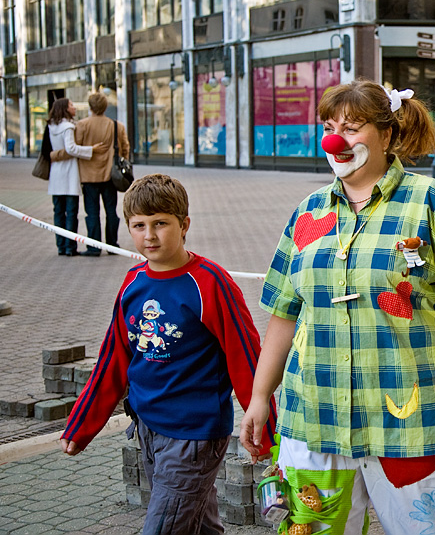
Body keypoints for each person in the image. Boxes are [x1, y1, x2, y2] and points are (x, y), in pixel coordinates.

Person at [239, 80, 435, 535]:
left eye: (351, 127)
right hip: (317, 416)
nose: (337, 139)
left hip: (416, 425)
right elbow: (283, 313)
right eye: (330, 127)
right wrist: (258, 397)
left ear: (386, 135)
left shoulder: (429, 202)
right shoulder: (308, 213)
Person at [60, 173, 277, 534]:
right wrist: (82, 425)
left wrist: (265, 430)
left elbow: (247, 358)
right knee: (199, 527)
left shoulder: (210, 283)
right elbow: (113, 359)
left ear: (184, 224)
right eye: (139, 225)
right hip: (147, 428)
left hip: (195, 436)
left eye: (161, 223)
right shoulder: (133, 281)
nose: (150, 235)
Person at [46, 98, 105, 256]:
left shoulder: (52, 126)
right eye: (71, 105)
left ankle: (61, 245)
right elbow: (71, 148)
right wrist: (90, 149)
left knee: (58, 212)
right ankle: (70, 247)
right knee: (71, 212)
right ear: (65, 108)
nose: (74, 107)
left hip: (56, 173)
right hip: (69, 173)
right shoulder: (68, 127)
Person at [75, 91, 130, 256]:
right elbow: (125, 148)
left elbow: (76, 148)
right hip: (110, 176)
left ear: (90, 107)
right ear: (106, 107)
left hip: (88, 176)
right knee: (111, 211)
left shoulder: (82, 125)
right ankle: (112, 244)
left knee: (92, 212)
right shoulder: (116, 126)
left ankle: (93, 247)